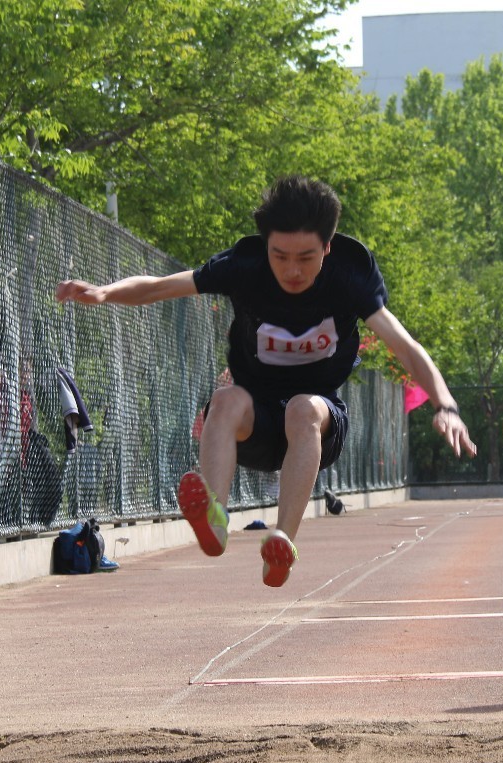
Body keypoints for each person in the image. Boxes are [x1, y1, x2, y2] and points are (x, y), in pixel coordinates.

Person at [56, 175, 476, 587]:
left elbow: (404, 345)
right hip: (254, 424)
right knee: (225, 400)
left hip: (316, 426)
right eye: (280, 256)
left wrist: (447, 406)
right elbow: (159, 287)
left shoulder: (351, 273)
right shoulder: (246, 265)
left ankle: (283, 542)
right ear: (266, 246)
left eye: (306, 258)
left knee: (302, 408)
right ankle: (215, 520)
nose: (292, 270)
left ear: (328, 248)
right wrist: (105, 293)